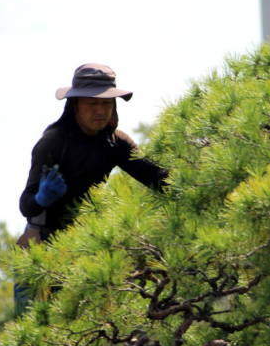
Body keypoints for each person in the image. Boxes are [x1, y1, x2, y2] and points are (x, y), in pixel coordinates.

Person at [16, 63, 168, 308]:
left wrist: (199, 180)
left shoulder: (115, 143)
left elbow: (158, 179)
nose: (100, 110)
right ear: (75, 105)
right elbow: (26, 205)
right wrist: (43, 199)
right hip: (42, 247)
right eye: (92, 103)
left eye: (107, 103)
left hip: (88, 245)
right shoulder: (53, 142)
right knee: (36, 330)